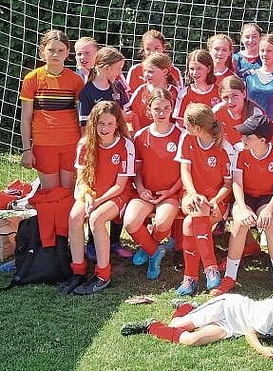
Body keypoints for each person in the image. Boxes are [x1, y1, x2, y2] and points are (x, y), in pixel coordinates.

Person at [120, 271, 273, 360]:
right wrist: (263, 350)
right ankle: (184, 307)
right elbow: (251, 332)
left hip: (233, 327)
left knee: (191, 339)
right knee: (176, 324)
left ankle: (151, 325)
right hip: (229, 308)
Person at [59, 101, 135, 295]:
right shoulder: (85, 144)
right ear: (94, 123)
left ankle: (103, 275)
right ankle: (78, 271)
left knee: (96, 219)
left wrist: (97, 202)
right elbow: (82, 181)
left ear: (117, 124)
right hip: (92, 194)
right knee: (75, 217)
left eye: (110, 123)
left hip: (116, 194)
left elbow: (120, 186)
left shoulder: (126, 145)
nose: (105, 128)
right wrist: (86, 196)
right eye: (101, 123)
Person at [219, 112, 273, 296]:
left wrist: (268, 210)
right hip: (245, 196)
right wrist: (242, 208)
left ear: (262, 140)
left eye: (248, 136)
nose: (242, 138)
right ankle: (229, 277)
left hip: (268, 197)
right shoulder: (239, 150)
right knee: (239, 224)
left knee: (272, 225)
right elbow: (236, 182)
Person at [174, 103, 237, 296]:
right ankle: (211, 268)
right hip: (191, 195)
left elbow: (228, 184)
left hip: (218, 200)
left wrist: (215, 200)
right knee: (197, 210)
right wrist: (192, 193)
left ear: (197, 128)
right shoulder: (187, 139)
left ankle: (190, 277)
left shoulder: (224, 148)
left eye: (186, 124)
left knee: (187, 225)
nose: (184, 127)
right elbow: (184, 170)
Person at [77, 46, 132, 260]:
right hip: (97, 149)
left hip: (118, 146)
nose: (120, 73)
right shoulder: (88, 91)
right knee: (97, 190)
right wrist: (90, 145)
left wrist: (127, 139)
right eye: (117, 69)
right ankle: (92, 243)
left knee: (118, 191)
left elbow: (125, 115)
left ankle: (115, 241)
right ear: (106, 68)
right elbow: (84, 126)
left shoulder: (117, 86)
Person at [124, 88, 183, 281]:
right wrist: (140, 189)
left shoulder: (181, 136)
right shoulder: (141, 136)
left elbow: (187, 172)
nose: (162, 112)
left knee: (162, 222)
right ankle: (154, 251)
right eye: (157, 108)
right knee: (130, 222)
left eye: (166, 108)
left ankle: (147, 245)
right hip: (146, 193)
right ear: (149, 110)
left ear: (172, 108)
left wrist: (170, 192)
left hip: (171, 193)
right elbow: (137, 171)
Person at [20, 29, 85, 190]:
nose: (55, 54)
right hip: (44, 144)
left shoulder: (76, 80)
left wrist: (85, 144)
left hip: (71, 143)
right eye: (51, 50)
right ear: (42, 51)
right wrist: (27, 149)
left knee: (68, 192)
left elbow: (82, 117)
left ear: (68, 52)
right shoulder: (32, 79)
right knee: (51, 193)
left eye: (60, 50)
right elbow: (26, 117)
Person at [124, 53, 180, 134]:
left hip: (169, 139)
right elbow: (132, 116)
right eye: (145, 71)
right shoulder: (141, 91)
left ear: (164, 71)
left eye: (150, 71)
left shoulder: (175, 93)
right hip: (145, 140)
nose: (146, 75)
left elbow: (179, 120)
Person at [244, 34, 273, 120]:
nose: (265, 54)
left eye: (269, 51)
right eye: (262, 50)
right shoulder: (249, 77)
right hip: (252, 127)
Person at [213, 75, 266, 145]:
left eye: (234, 96)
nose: (230, 101)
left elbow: (258, 144)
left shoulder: (255, 114)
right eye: (225, 97)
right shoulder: (216, 111)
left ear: (244, 94)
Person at [174, 49, 221, 127]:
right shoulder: (184, 94)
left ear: (209, 69)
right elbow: (180, 124)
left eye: (199, 68)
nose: (195, 73)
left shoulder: (219, 92)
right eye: (192, 69)